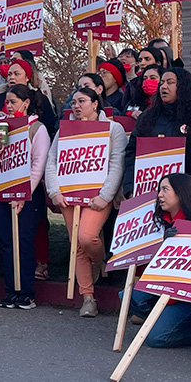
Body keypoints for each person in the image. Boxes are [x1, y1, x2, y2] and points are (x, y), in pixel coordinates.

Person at [45, 86, 126, 316]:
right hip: (69, 197)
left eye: (81, 101)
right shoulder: (64, 131)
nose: (76, 106)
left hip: (98, 197)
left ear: (95, 104)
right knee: (77, 246)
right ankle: (88, 297)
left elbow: (116, 163)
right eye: (73, 102)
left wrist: (105, 196)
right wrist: (55, 192)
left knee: (87, 237)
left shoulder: (113, 129)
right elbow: (52, 162)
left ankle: (100, 260)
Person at [0, 84, 51, 310]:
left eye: (13, 101)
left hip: (27, 194)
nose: (8, 106)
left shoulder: (37, 129)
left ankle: (26, 292)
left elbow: (38, 164)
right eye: (6, 102)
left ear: (26, 103)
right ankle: (11, 290)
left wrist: (23, 192)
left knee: (25, 241)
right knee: (7, 241)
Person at [128, 173, 191, 347]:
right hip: (163, 289)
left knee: (155, 339)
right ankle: (163, 320)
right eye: (160, 189)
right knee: (128, 295)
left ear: (181, 193)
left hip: (187, 297)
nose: (159, 195)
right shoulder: (160, 222)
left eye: (165, 189)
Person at [121, 67, 191, 197]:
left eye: (170, 82)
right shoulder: (147, 117)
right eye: (161, 83)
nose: (164, 87)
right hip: (149, 193)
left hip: (190, 194)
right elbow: (132, 152)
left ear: (183, 86)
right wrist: (129, 188)